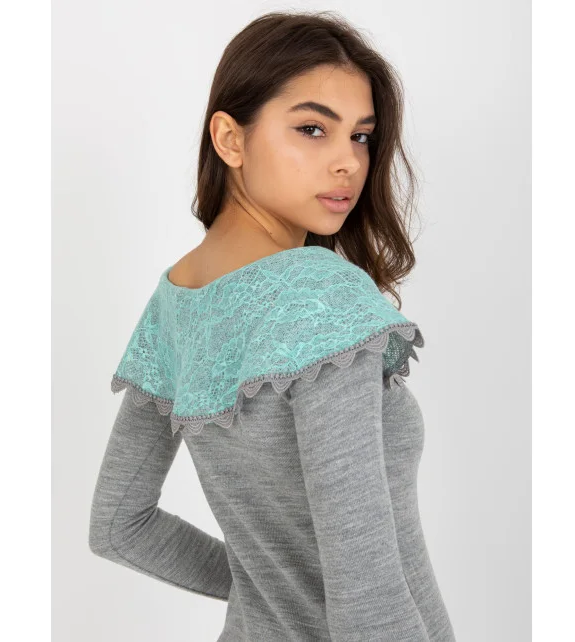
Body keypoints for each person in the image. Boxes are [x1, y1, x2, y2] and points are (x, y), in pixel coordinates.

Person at [89, 9, 456, 641]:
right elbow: (365, 599)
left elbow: (120, 525)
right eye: (313, 129)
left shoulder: (177, 301)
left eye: (360, 136)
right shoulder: (321, 296)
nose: (348, 162)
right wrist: (283, 587)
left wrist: (269, 590)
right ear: (230, 139)